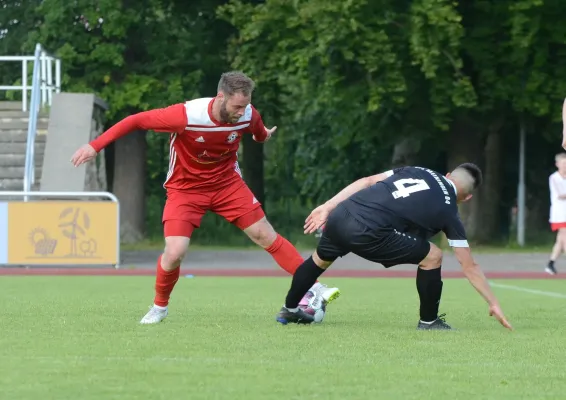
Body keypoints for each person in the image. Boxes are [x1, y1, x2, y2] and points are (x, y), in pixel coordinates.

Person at [70, 71, 341, 324]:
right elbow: (136, 120)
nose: (241, 112)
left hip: (227, 185)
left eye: (245, 106)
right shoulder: (186, 115)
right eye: (236, 106)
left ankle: (314, 287)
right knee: (175, 252)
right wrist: (95, 146)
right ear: (220, 97)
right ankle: (160, 307)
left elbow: (257, 131)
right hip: (185, 189)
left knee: (264, 234)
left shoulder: (247, 113)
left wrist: (263, 136)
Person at [275, 163, 513, 331]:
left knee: (319, 260)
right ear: (468, 197)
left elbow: (367, 181)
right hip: (371, 231)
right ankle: (429, 322)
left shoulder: (418, 170)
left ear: (449, 174)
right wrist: (493, 302)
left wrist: (328, 206)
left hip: (343, 213)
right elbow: (468, 265)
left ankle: (290, 308)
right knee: (433, 256)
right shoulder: (450, 211)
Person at [545, 153, 566, 275]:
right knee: (564, 237)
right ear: (557, 164)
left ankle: (550, 264)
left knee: (560, 241)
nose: (565, 166)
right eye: (563, 163)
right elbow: (560, 194)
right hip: (559, 214)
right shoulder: (554, 178)